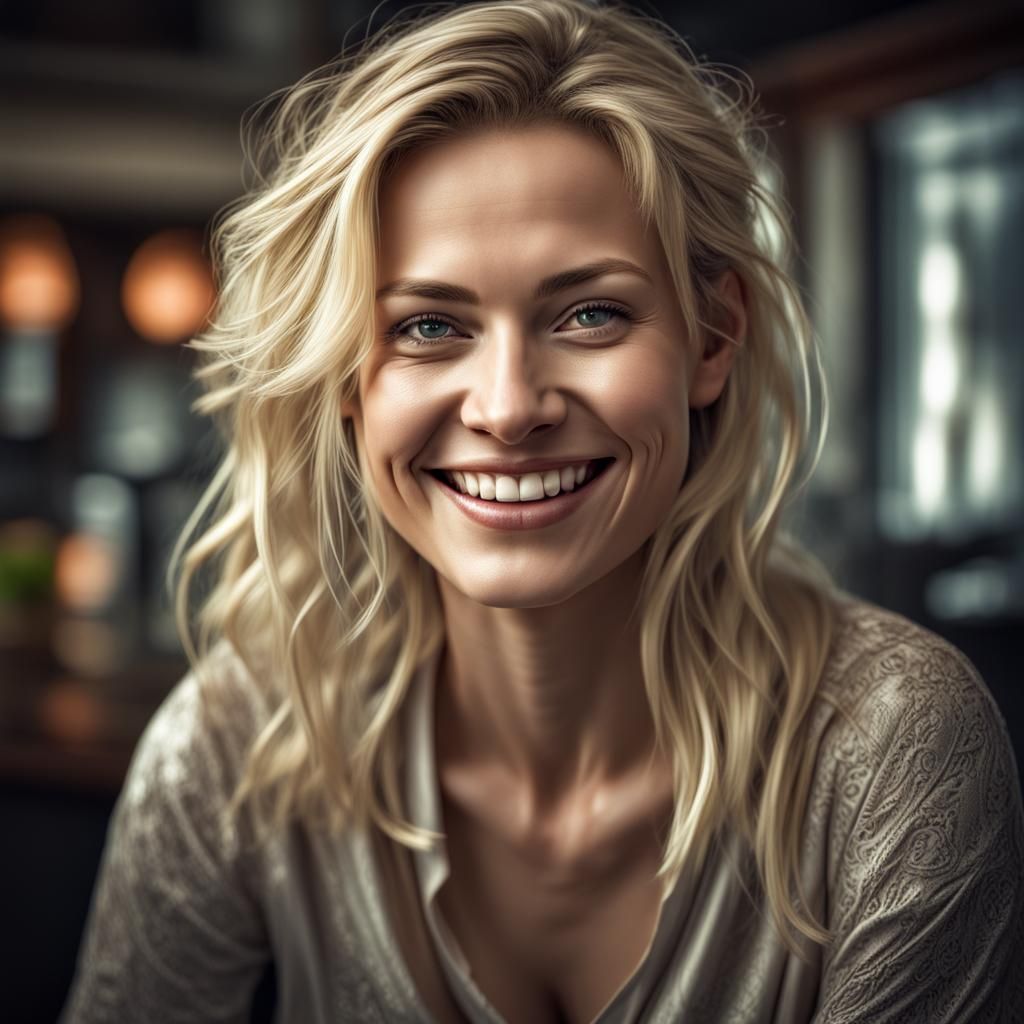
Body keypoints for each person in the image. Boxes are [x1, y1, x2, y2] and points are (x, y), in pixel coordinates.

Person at [60, 1, 1024, 1021]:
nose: (509, 407)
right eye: (429, 326)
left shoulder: (891, 751)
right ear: (347, 378)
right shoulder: (232, 745)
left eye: (590, 313)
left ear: (711, 338)